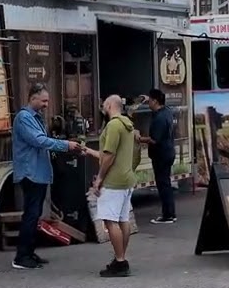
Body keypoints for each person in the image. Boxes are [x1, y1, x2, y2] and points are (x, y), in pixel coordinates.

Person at [10, 84, 86, 270]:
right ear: (33, 98)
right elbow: (38, 141)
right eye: (43, 101)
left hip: (39, 173)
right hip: (31, 173)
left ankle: (29, 252)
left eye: (47, 101)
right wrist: (65, 145)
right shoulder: (24, 118)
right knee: (31, 214)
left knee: (35, 215)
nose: (46, 104)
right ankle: (22, 256)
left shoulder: (36, 118)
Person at [92, 95, 138, 277]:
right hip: (126, 179)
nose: (102, 107)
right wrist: (88, 151)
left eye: (104, 104)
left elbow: (109, 156)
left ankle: (120, 261)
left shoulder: (112, 126)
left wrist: (99, 179)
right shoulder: (127, 125)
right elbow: (111, 154)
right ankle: (121, 257)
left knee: (110, 221)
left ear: (110, 105)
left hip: (114, 181)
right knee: (123, 219)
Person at [139, 88, 177, 224]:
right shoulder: (167, 112)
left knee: (163, 185)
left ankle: (167, 215)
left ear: (155, 101)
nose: (148, 103)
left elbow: (154, 139)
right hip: (168, 152)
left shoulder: (159, 118)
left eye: (150, 100)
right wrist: (143, 99)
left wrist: (139, 138)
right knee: (166, 183)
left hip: (161, 154)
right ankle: (171, 213)